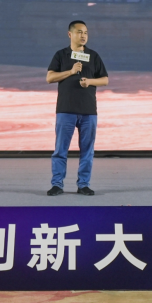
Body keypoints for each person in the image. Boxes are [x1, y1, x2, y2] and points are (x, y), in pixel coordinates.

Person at [45, 20, 108, 196]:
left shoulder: (93, 56)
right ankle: (57, 184)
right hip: (66, 110)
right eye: (79, 32)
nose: (83, 36)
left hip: (88, 111)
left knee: (87, 151)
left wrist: (90, 81)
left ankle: (83, 184)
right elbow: (50, 78)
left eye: (85, 33)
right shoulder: (61, 55)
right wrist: (71, 72)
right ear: (70, 34)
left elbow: (105, 79)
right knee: (60, 150)